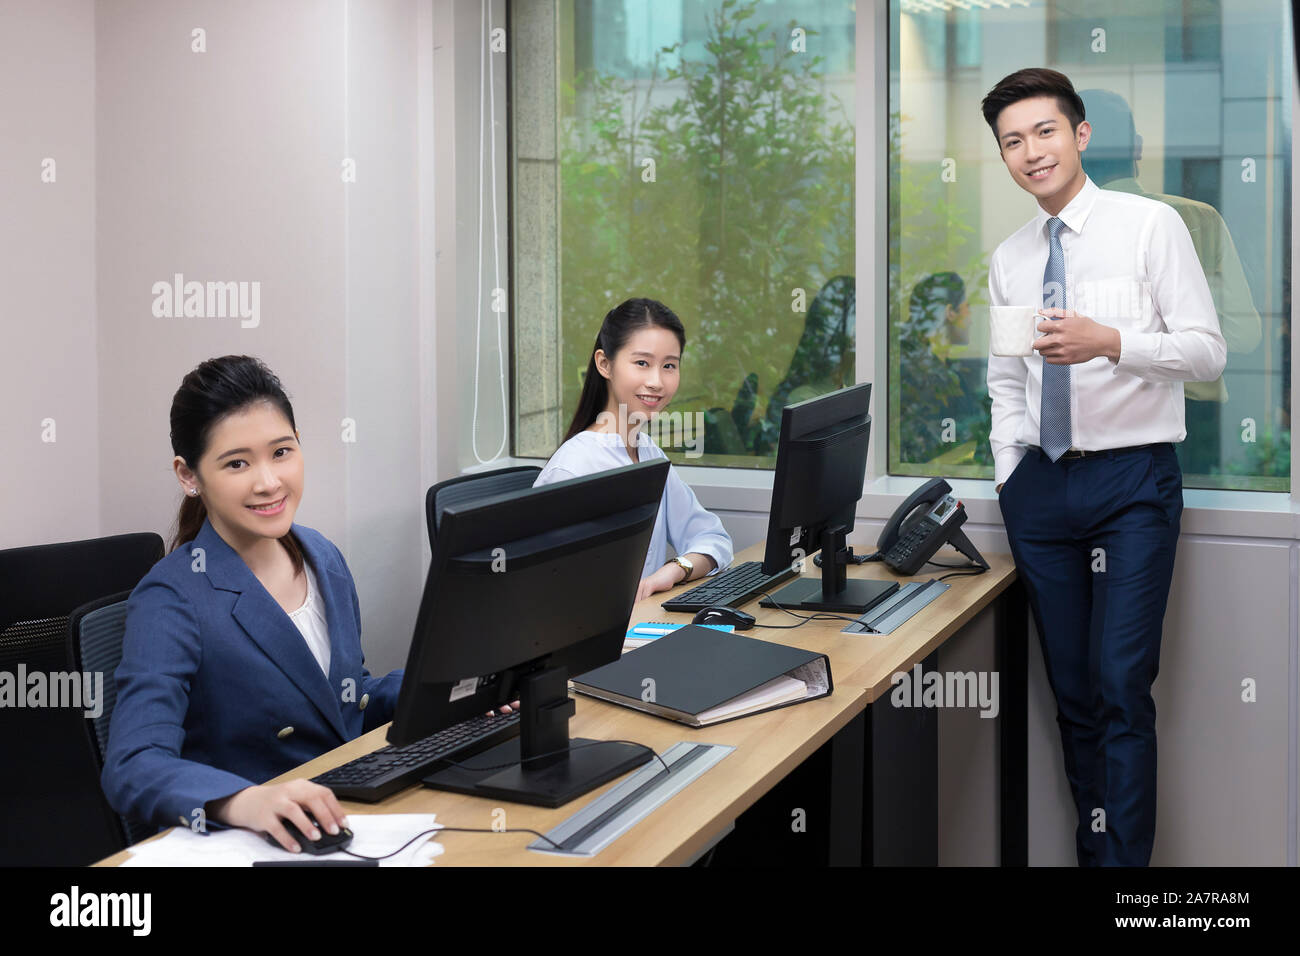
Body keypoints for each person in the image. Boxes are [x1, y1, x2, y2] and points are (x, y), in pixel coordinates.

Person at [981, 68, 1225, 866]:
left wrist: (1110, 341)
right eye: (1012, 141)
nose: (1030, 151)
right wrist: (1010, 470)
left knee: (1121, 688)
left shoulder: (1150, 227)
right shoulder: (1012, 256)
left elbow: (1206, 351)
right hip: (1042, 491)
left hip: (1131, 483)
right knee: (1074, 694)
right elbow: (1006, 380)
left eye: (1044, 132)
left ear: (1080, 135)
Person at [101, 355, 404, 852]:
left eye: (281, 452)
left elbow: (344, 699)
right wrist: (244, 801)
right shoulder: (172, 596)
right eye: (237, 463)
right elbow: (134, 763)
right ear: (188, 475)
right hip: (257, 841)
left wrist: (456, 686)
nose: (268, 481)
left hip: (346, 816)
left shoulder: (322, 556)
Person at [535, 298, 733, 601]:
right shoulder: (573, 469)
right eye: (642, 363)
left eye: (669, 366)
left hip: (641, 625)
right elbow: (552, 597)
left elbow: (713, 538)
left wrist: (675, 569)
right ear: (605, 364)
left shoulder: (647, 452)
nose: (656, 381)